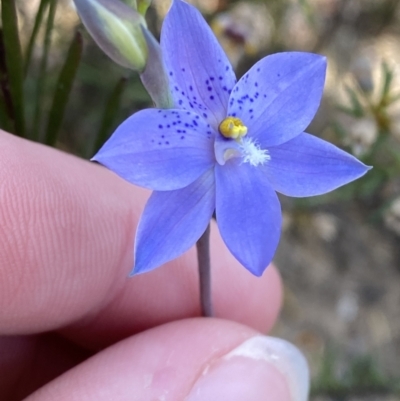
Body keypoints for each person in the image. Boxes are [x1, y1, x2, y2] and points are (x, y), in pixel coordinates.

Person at [0, 130, 308, 400]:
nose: (237, 138)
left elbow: (318, 157)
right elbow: (131, 151)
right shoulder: (180, 155)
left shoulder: (253, 155)